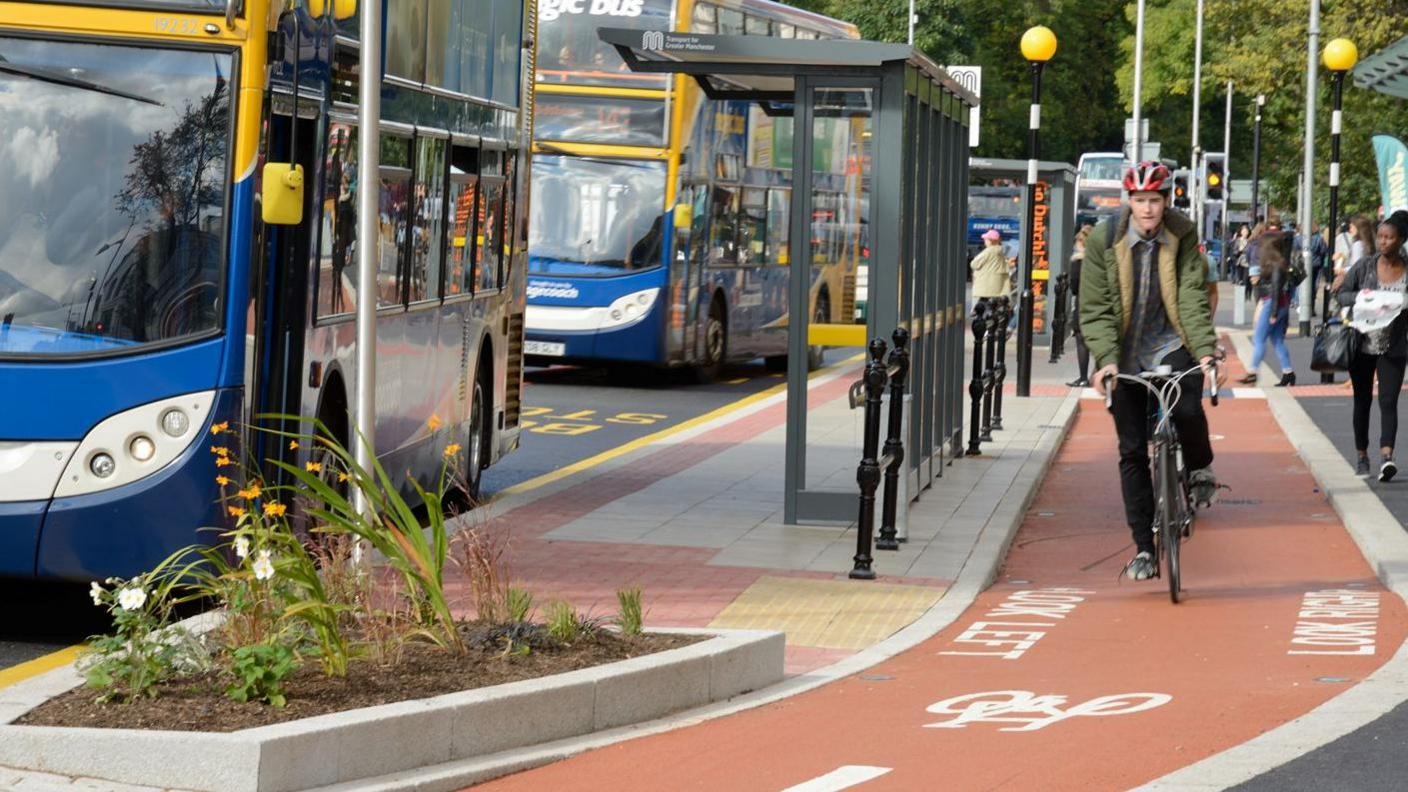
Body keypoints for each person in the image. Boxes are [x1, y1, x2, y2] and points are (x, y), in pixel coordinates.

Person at [1080, 161, 1227, 581]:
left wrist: (1204, 351)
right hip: (1123, 352)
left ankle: (1199, 468)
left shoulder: (1181, 233)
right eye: (1140, 200)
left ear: (1167, 200)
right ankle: (1144, 547)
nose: (1147, 209)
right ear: (1129, 201)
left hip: (1171, 341)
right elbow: (1094, 308)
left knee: (1187, 411)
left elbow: (1192, 297)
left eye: (1155, 201)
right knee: (1130, 450)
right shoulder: (1104, 239)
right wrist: (1105, 359)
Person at [1339, 212, 1408, 481]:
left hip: (1394, 345)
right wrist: (1362, 296)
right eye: (1380, 236)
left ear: (1401, 240)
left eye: (1389, 237)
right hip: (1362, 343)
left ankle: (1386, 457)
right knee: (1363, 400)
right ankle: (1362, 456)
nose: (1383, 242)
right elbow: (1342, 293)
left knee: (1389, 401)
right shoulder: (1365, 266)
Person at [1241, 229, 1297, 386]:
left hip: (1272, 303)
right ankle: (1288, 372)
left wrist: (1272, 313)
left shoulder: (1275, 266)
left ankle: (1252, 371)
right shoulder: (1278, 263)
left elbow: (1276, 289)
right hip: (1279, 303)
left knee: (1259, 338)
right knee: (1277, 340)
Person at [1067, 224, 1094, 386]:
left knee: (1081, 341)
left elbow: (1075, 287)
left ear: (1080, 242)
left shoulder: (1078, 261)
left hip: (1083, 303)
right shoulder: (1099, 259)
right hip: (1098, 303)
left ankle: (1083, 377)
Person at [970, 228, 1011, 308]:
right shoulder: (1000, 251)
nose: (984, 241)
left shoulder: (988, 251)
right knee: (994, 304)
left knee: (982, 304)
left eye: (985, 239)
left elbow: (974, 264)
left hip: (986, 284)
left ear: (991, 241)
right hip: (998, 284)